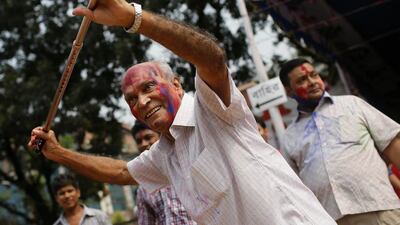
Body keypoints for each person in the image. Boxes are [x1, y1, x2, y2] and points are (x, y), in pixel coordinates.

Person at [28, 1, 336, 224]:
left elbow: (214, 59)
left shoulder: (212, 110)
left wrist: (133, 18)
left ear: (177, 84)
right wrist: (59, 153)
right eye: (131, 99)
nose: (143, 101)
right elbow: (122, 172)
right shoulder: (163, 153)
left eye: (149, 86)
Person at [279, 58, 400, 224]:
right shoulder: (289, 137)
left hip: (377, 209)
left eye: (314, 75)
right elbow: (293, 187)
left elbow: (392, 144)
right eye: (302, 80)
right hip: (330, 220)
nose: (312, 82)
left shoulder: (352, 105)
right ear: (288, 91)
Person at [131, 121, 196, 225]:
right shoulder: (143, 188)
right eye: (139, 141)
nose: (143, 144)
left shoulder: (185, 166)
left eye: (148, 137)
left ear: (161, 137)